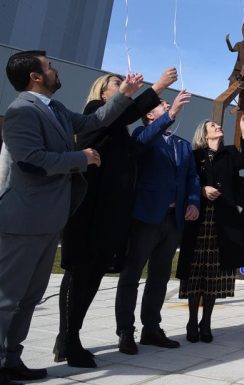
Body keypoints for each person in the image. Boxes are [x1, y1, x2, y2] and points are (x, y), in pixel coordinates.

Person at [0, 50, 137, 383]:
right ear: (35, 77)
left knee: (30, 297)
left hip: (49, 220)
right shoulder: (21, 111)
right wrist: (82, 157)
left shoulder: (57, 109)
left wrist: (125, 94)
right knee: (7, 297)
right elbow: (31, 160)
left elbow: (95, 121)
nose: (55, 71)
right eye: (49, 67)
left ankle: (11, 360)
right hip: (23, 221)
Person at [54, 68, 178, 367]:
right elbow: (127, 113)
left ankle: (69, 337)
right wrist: (157, 88)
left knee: (92, 274)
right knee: (78, 271)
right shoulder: (96, 111)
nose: (124, 85)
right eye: (116, 83)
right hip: (90, 208)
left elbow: (136, 147)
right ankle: (69, 339)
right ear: (102, 92)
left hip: (109, 211)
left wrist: (167, 117)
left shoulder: (117, 128)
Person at [114, 91, 200, 355]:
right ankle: (126, 331)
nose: (165, 104)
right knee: (132, 274)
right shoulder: (142, 136)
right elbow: (141, 144)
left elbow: (193, 177)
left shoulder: (183, 145)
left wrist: (193, 201)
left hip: (173, 220)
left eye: (166, 104)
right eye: (160, 105)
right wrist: (171, 114)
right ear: (149, 115)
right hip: (146, 216)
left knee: (160, 277)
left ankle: (151, 327)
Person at [177, 114, 244, 343]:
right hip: (199, 219)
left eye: (218, 125)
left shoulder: (230, 153)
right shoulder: (194, 155)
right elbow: (186, 180)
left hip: (223, 220)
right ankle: (192, 320)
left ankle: (206, 322)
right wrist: (202, 190)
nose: (218, 126)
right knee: (195, 271)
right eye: (213, 125)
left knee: (214, 273)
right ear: (204, 133)